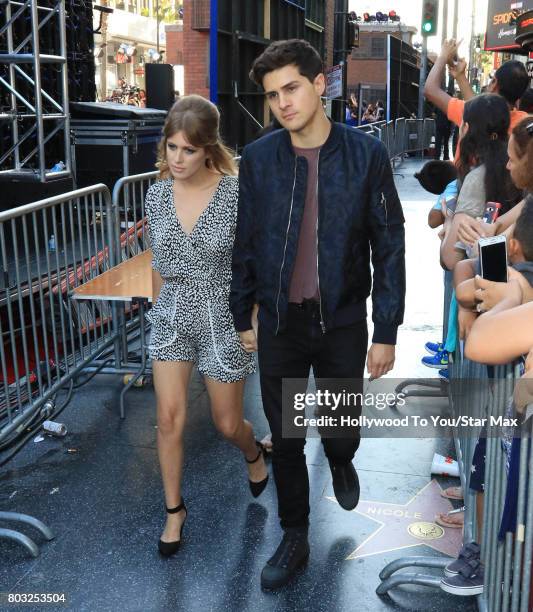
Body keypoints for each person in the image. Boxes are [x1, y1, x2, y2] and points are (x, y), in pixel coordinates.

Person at [230, 39, 405, 589]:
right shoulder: (259, 158)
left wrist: (387, 329)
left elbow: (389, 243)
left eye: (292, 88)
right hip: (281, 320)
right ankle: (295, 534)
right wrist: (243, 316)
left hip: (344, 319)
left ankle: (341, 455)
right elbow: (248, 242)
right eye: (272, 94)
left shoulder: (366, 156)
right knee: (284, 436)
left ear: (320, 83)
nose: (282, 103)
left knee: (338, 424)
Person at [144, 95, 268, 557]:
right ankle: (174, 510)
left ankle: (253, 451)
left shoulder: (235, 193)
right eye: (171, 147)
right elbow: (159, 259)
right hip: (173, 313)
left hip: (221, 313)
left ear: (208, 147)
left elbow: (250, 258)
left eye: (188, 150)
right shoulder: (156, 194)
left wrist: (251, 315)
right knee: (167, 418)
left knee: (226, 422)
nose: (177, 159)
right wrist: (158, 312)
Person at [439, 94, 521, 271]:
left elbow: (451, 258)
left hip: (482, 285)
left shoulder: (477, 178)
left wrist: (449, 221)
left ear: (466, 128)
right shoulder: (520, 168)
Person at [424, 40, 529, 161]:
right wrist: (460, 76)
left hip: (466, 180)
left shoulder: (469, 112)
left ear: (494, 83)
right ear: (519, 96)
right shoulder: (523, 124)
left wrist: (442, 56)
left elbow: (430, 89)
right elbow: (478, 105)